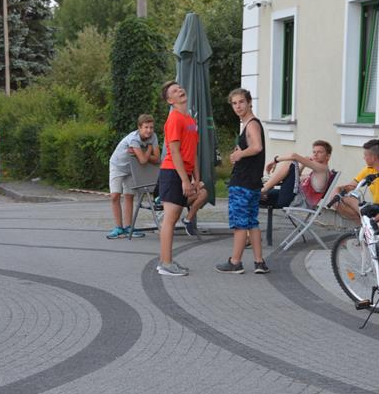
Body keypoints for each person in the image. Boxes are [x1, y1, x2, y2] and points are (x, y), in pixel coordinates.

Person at [156, 81, 209, 276]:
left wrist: (196, 178)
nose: (180, 90)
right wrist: (185, 180)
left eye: (179, 88)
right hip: (172, 172)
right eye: (174, 91)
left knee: (174, 216)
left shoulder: (190, 120)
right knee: (170, 219)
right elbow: (175, 151)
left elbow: (193, 152)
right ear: (170, 100)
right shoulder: (174, 119)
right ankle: (166, 264)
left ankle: (166, 261)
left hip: (183, 173)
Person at [216, 88, 269, 274]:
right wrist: (239, 154)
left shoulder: (252, 124)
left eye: (241, 102)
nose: (238, 106)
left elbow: (257, 147)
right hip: (252, 182)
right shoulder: (250, 124)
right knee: (252, 222)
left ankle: (235, 262)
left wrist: (240, 155)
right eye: (234, 103)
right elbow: (252, 148)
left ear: (249, 102)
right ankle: (259, 262)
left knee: (240, 224)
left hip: (243, 182)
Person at [333, 139, 379, 230]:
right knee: (339, 200)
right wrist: (338, 189)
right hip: (375, 210)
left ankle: (368, 226)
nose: (363, 158)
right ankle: (364, 225)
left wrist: (376, 218)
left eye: (365, 155)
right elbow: (351, 186)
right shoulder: (369, 169)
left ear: (373, 157)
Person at [107, 114, 161, 239]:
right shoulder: (134, 139)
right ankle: (118, 227)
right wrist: (148, 149)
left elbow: (157, 159)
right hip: (117, 166)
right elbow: (143, 161)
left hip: (131, 169)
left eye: (151, 127)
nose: (149, 130)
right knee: (115, 196)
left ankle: (128, 227)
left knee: (129, 196)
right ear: (139, 128)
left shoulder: (153, 136)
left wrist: (142, 153)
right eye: (146, 127)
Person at [260, 140, 333, 210]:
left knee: (291, 162)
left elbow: (293, 156)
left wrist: (275, 160)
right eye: (314, 152)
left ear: (328, 156)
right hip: (292, 198)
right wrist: (303, 165)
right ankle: (262, 191)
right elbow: (296, 178)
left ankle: (264, 189)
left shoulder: (322, 169)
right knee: (256, 195)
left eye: (320, 152)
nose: (315, 154)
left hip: (295, 202)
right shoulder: (319, 172)